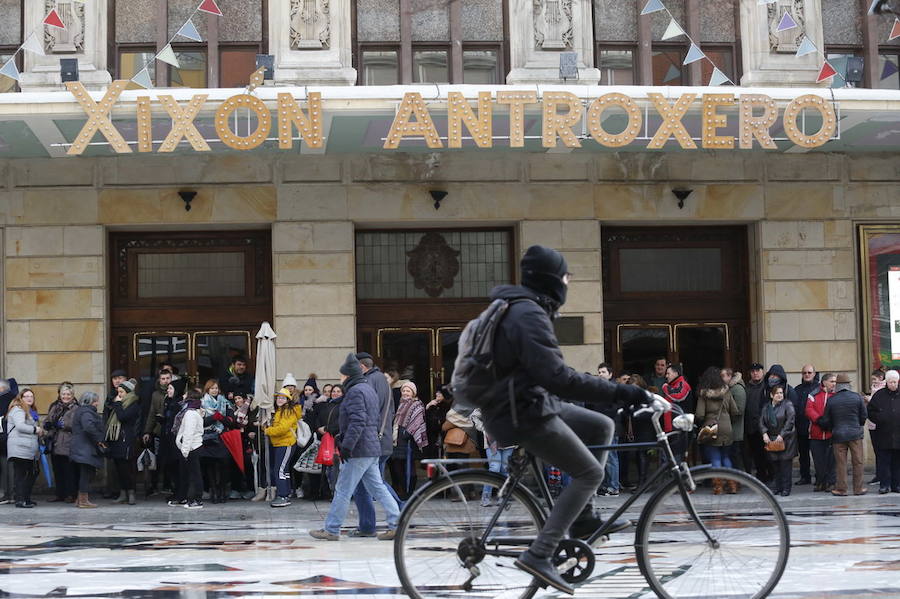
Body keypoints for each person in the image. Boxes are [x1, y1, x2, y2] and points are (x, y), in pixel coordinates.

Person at [478, 245, 650, 595]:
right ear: (550, 279)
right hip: (522, 412)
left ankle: (584, 519)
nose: (568, 282)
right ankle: (540, 554)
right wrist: (623, 392)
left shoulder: (530, 310)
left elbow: (553, 372)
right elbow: (560, 378)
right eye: (565, 276)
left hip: (530, 402)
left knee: (602, 425)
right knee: (591, 472)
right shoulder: (527, 315)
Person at [310, 353, 400, 541]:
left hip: (359, 450)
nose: (340, 378)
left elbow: (357, 422)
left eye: (342, 375)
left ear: (348, 375)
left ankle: (332, 529)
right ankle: (397, 524)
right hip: (371, 448)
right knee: (378, 489)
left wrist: (347, 447)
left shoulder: (355, 391)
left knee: (343, 489)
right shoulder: (367, 389)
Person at [352, 352, 403, 536]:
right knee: (373, 484)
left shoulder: (369, 382)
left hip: (372, 441)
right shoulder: (381, 380)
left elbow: (366, 412)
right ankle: (394, 517)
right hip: (382, 438)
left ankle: (399, 515)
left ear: (361, 366)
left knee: (371, 485)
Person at [695, 367, 740, 494]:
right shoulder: (726, 392)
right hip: (727, 428)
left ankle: (718, 487)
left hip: (712, 428)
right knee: (726, 456)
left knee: (715, 458)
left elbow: (699, 414)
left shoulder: (703, 395)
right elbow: (735, 410)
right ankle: (732, 485)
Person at [821, 374, 867, 497]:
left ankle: (841, 489)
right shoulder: (857, 397)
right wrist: (858, 425)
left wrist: (833, 427)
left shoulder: (832, 400)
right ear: (849, 384)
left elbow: (826, 419)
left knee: (841, 463)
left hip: (838, 435)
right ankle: (858, 488)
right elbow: (863, 416)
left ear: (838, 385)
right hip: (855, 434)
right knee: (858, 462)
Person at [388, 381, 428, 502]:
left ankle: (409, 492)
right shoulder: (400, 404)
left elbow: (418, 423)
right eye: (404, 391)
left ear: (413, 393)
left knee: (409, 468)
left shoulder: (417, 405)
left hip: (409, 441)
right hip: (397, 441)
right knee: (397, 466)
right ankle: (403, 490)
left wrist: (407, 433)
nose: (405, 393)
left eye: (408, 391)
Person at [104, 378, 141, 505]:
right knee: (118, 467)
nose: (119, 395)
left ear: (128, 392)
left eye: (121, 392)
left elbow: (123, 417)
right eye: (118, 392)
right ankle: (123, 493)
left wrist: (118, 404)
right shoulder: (119, 403)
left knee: (127, 468)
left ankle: (131, 493)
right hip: (116, 439)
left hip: (126, 439)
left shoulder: (133, 403)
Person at [5, 388, 43, 508]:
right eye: (26, 396)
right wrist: (35, 429)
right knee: (21, 474)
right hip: (19, 448)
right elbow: (20, 426)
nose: (29, 398)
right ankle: (20, 500)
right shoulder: (18, 409)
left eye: (31, 396)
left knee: (32, 472)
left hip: (28, 448)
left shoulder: (30, 411)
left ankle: (25, 498)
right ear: (20, 398)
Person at [264, 388, 301, 507]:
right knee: (284, 470)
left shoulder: (287, 411)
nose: (279, 399)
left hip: (286, 443)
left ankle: (282, 495)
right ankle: (286, 493)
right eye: (278, 397)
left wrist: (267, 430)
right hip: (281, 443)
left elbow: (282, 429)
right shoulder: (281, 410)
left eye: (282, 398)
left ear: (287, 400)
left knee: (279, 470)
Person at [199, 379, 232, 504]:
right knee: (210, 465)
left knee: (224, 463)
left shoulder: (225, 402)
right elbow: (201, 422)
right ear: (207, 390)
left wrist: (221, 417)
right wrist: (213, 417)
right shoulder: (202, 403)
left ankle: (222, 489)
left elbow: (231, 421)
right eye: (212, 388)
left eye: (216, 388)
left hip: (222, 437)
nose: (214, 390)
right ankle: (214, 490)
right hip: (208, 437)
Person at [760, 385, 797, 497]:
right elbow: (761, 421)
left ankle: (786, 488)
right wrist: (764, 433)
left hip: (786, 439)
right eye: (777, 393)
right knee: (775, 465)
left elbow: (790, 421)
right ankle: (777, 487)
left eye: (781, 393)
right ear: (771, 395)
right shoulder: (766, 407)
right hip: (771, 439)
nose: (780, 395)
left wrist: (782, 435)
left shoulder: (788, 405)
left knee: (785, 465)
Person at [44, 383, 78, 503]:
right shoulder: (55, 406)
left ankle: (71, 494)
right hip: (55, 442)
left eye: (68, 394)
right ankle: (59, 494)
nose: (66, 396)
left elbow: (75, 424)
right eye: (63, 394)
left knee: (69, 470)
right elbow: (48, 419)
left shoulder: (76, 408)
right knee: (57, 470)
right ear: (60, 394)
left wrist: (65, 425)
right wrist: (48, 424)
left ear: (72, 395)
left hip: (68, 442)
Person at [70, 392, 104, 508]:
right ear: (91, 402)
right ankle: (83, 501)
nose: (98, 403)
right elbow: (88, 427)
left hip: (81, 448)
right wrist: (99, 439)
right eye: (96, 401)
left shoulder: (81, 411)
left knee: (84, 474)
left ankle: (80, 500)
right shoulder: (86, 412)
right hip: (85, 448)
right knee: (86, 474)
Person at [868, 370, 900, 494]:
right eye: (891, 382)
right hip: (883, 434)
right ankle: (884, 485)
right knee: (884, 461)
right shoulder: (879, 395)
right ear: (886, 382)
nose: (893, 384)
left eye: (895, 382)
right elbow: (870, 411)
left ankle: (896, 485)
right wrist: (880, 418)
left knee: (897, 462)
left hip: (898, 434)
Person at [142, 368, 173, 497]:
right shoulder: (155, 394)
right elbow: (152, 413)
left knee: (170, 459)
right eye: (163, 379)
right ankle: (154, 485)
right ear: (159, 380)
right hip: (159, 430)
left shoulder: (175, 391)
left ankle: (169, 484)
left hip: (172, 431)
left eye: (167, 378)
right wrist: (147, 431)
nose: (165, 381)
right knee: (157, 458)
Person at [806, 373, 837, 492]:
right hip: (816, 433)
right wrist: (819, 420)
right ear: (824, 382)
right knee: (818, 460)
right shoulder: (813, 394)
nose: (834, 384)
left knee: (831, 460)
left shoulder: (836, 395)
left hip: (831, 433)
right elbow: (809, 409)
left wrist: (830, 422)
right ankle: (820, 482)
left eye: (835, 382)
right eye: (832, 381)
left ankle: (831, 482)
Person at [594, 363, 620, 496]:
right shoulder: (599, 389)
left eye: (603, 372)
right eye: (599, 372)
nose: (600, 374)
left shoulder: (613, 389)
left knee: (611, 457)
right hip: (601, 428)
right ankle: (606, 485)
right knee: (604, 458)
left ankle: (614, 486)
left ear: (610, 374)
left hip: (611, 428)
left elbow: (614, 409)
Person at [176, 392, 205, 509]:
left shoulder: (190, 414)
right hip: (194, 446)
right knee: (194, 474)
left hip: (192, 447)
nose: (182, 396)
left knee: (194, 475)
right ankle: (194, 498)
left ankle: (196, 499)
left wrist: (185, 450)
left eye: (185, 395)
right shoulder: (194, 412)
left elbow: (189, 433)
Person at [744, 362, 771, 482]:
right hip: (751, 426)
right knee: (756, 453)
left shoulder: (767, 386)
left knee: (767, 453)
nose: (755, 373)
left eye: (758, 370)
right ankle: (761, 476)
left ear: (762, 372)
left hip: (764, 426)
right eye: (753, 371)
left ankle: (771, 474)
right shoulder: (747, 387)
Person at [793, 365, 819, 486]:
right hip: (801, 427)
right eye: (804, 373)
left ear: (814, 374)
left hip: (816, 427)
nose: (807, 375)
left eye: (809, 372)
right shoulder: (797, 389)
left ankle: (820, 477)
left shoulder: (819, 389)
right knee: (803, 455)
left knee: (818, 454)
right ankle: (805, 476)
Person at [662, 363, 692, 462]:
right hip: (670, 427)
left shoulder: (683, 384)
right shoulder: (673, 385)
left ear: (676, 373)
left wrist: (665, 387)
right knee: (669, 457)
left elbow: (678, 396)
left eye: (668, 373)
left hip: (679, 428)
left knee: (677, 457)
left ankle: (678, 477)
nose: (666, 376)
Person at [721, 368, 746, 471]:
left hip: (735, 430)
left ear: (730, 376)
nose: (721, 378)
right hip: (729, 429)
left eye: (723, 376)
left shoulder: (737, 389)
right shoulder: (728, 388)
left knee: (735, 457)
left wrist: (725, 417)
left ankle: (738, 481)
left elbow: (739, 410)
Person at [0, 377, 20, 504]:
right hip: (7, 439)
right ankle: (11, 494)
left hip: (4, 438)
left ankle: (5, 494)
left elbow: (12, 383)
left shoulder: (7, 398)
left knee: (6, 468)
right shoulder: (12, 398)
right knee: (9, 468)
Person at [423, 387, 452, 459]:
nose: (437, 394)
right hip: (433, 437)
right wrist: (428, 407)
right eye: (437, 393)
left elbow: (442, 422)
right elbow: (427, 421)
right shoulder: (433, 406)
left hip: (445, 436)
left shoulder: (449, 406)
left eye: (440, 393)